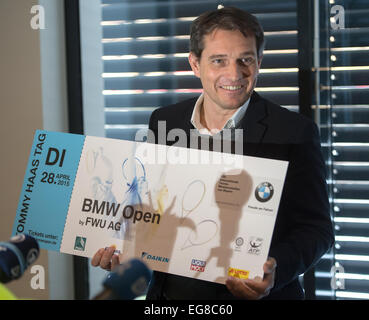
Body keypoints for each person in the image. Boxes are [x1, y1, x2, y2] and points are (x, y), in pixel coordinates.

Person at [92, 6, 334, 300]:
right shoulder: (164, 121)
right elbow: (152, 210)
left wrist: (274, 269)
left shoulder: (294, 132)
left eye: (245, 60)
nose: (234, 74)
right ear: (195, 64)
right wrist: (123, 248)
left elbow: (317, 229)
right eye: (219, 61)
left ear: (259, 62)